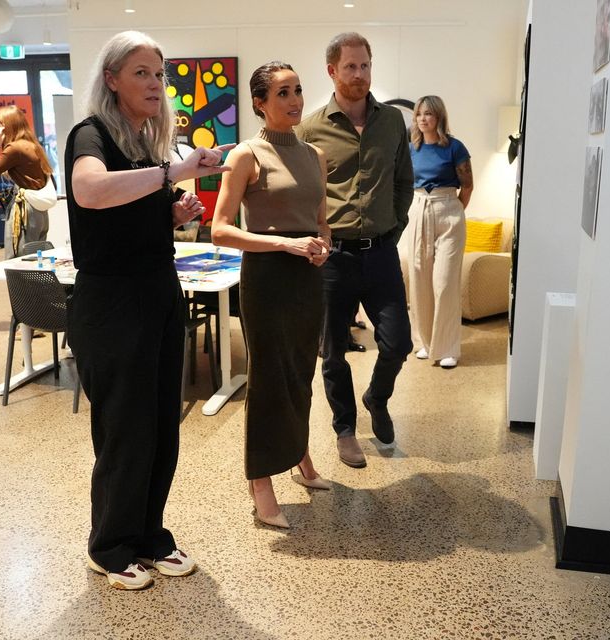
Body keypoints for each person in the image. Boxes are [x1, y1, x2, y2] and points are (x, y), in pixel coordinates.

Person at [65, 30, 232, 591]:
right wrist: (173, 175)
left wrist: (173, 214)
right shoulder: (90, 135)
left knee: (163, 425)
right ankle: (109, 545)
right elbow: (89, 193)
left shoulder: (145, 145)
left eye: (159, 74)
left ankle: (148, 534)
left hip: (159, 290)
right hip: (111, 302)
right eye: (141, 72)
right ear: (111, 79)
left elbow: (131, 219)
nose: (155, 83)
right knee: (125, 428)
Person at [211, 61, 332, 529]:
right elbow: (221, 230)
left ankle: (299, 454)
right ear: (260, 103)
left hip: (307, 275)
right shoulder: (247, 155)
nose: (295, 100)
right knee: (268, 378)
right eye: (283, 93)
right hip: (266, 275)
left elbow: (320, 218)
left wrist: (323, 245)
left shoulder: (314, 155)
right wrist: (286, 243)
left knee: (301, 371)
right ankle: (260, 480)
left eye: (298, 90)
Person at [297, 32, 414, 468]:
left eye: (365, 65)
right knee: (333, 350)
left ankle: (376, 398)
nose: (360, 74)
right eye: (350, 66)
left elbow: (404, 182)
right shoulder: (310, 128)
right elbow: (302, 192)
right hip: (334, 256)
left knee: (398, 342)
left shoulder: (391, 123)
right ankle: (345, 430)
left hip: (381, 252)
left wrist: (394, 228)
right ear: (332, 70)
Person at [405, 95, 472, 369]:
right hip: (418, 206)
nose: (423, 119)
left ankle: (448, 349)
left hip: (448, 210)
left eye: (428, 114)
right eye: (419, 114)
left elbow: (466, 186)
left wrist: (455, 212)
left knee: (444, 283)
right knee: (419, 276)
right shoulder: (411, 148)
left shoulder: (455, 147)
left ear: (439, 117)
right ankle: (426, 342)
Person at [0, 105, 55, 258]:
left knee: (19, 255)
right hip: (38, 209)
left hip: (24, 209)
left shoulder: (14, 148)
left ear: (5, 126)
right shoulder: (33, 145)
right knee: (37, 254)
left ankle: (21, 284)